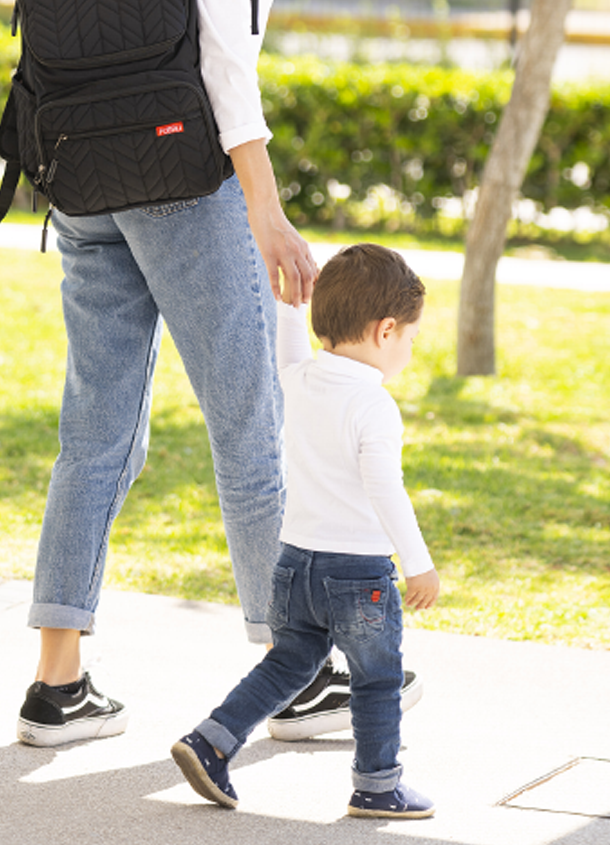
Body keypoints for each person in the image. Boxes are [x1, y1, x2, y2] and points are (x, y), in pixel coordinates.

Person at [16, 0, 357, 748]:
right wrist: (267, 210)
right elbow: (221, 55)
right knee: (252, 424)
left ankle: (56, 686)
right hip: (185, 179)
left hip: (86, 174)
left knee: (96, 431)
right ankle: (292, 669)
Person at [171, 244, 440, 820]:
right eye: (412, 339)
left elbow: (288, 344)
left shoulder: (300, 380)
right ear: (386, 330)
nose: (411, 352)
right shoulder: (373, 406)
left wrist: (293, 302)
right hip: (358, 575)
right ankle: (377, 786)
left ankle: (212, 741)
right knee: (377, 678)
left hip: (294, 565)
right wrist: (418, 562)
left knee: (288, 663)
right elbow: (384, 489)